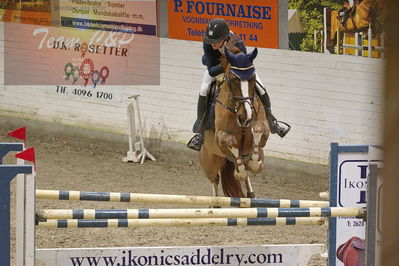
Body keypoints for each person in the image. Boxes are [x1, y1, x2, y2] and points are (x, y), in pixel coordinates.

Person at [187, 18, 290, 151]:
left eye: (216, 41)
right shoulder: (208, 42)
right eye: (211, 41)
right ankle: (199, 132)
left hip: (239, 71)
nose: (213, 44)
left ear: (225, 38)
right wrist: (223, 66)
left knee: (261, 88)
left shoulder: (238, 43)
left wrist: (230, 66)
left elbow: (245, 64)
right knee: (204, 89)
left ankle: (273, 123)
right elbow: (212, 71)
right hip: (217, 69)